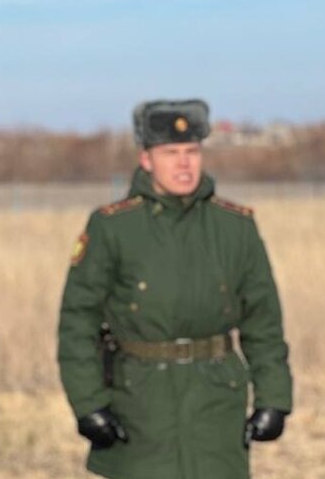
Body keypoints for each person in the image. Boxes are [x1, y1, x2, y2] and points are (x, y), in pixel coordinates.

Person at [57, 99, 293, 479]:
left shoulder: (235, 227)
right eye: (171, 153)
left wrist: (274, 398)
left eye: (192, 152)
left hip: (217, 400)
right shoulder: (113, 227)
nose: (184, 164)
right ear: (146, 159)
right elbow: (77, 322)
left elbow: (263, 320)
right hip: (139, 404)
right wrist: (88, 404)